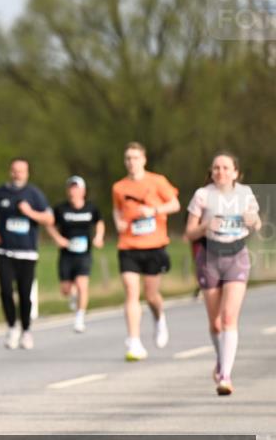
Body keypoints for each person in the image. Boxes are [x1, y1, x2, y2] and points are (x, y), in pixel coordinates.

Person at [184, 152, 261, 396]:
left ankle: (225, 376)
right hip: (209, 257)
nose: (221, 172)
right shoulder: (203, 195)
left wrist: (252, 220)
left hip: (237, 256)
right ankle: (221, 358)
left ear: (235, 172)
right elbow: (189, 233)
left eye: (226, 168)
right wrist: (207, 226)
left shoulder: (245, 194)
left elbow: (257, 223)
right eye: (216, 168)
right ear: (212, 171)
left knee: (229, 318)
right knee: (215, 322)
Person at [111, 142, 180, 361]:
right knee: (131, 292)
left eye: (135, 158)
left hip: (154, 245)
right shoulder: (118, 187)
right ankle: (134, 341)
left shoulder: (157, 181)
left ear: (144, 159)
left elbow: (175, 204)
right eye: (128, 159)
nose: (131, 162)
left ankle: (159, 319)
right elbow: (117, 209)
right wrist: (118, 222)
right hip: (128, 246)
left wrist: (154, 210)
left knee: (151, 295)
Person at [0, 157, 54, 350]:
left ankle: (26, 330)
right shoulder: (0, 193)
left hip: (27, 252)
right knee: (5, 291)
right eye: (15, 170)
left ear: (27, 173)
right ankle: (11, 326)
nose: (17, 174)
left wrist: (30, 213)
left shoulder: (34, 194)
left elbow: (49, 219)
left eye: (21, 171)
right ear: (10, 171)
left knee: (25, 293)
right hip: (4, 250)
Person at [45, 176, 105, 333]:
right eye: (71, 188)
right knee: (66, 289)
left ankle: (80, 318)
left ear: (83, 191)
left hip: (84, 254)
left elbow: (99, 222)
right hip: (66, 254)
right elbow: (49, 225)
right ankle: (72, 295)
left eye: (76, 188)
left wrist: (98, 237)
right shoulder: (61, 209)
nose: (73, 192)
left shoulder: (91, 208)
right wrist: (58, 239)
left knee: (82, 284)